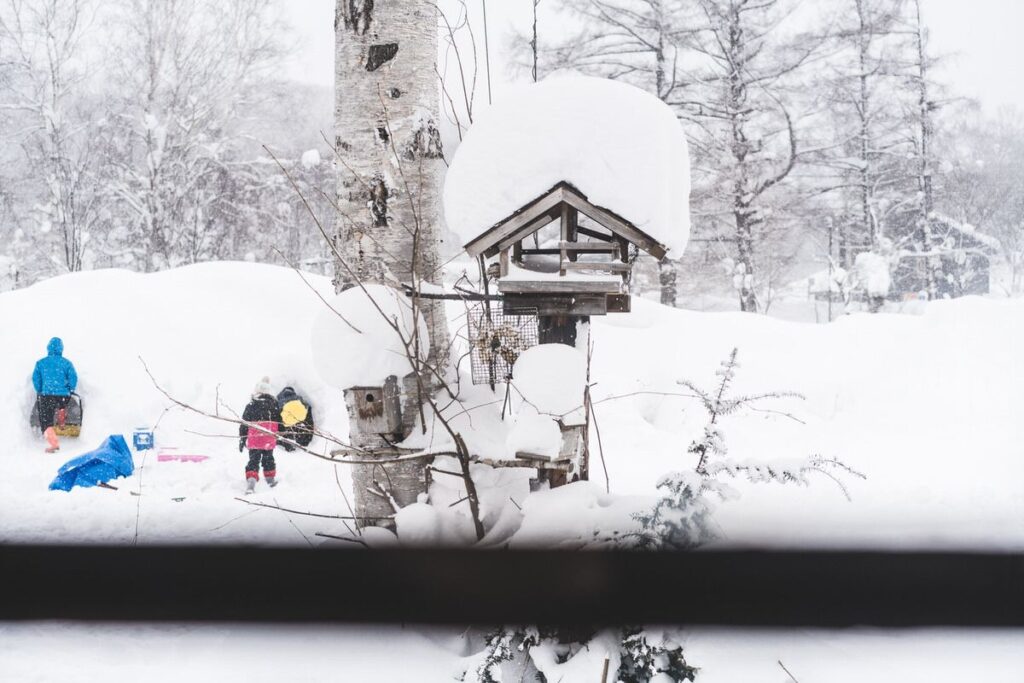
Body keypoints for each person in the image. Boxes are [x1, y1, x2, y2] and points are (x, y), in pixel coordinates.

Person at [32, 337, 78, 453]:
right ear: (61, 349)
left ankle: (54, 444)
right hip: (63, 394)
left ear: (48, 348)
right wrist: (70, 389)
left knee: (46, 420)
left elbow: (36, 379)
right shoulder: (66, 363)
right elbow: (73, 377)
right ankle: (62, 413)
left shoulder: (41, 363)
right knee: (62, 404)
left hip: (47, 394)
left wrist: (40, 389)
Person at [239, 377, 280, 494]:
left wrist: (242, 439)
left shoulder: (251, 405)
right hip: (268, 439)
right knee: (268, 459)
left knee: (253, 460)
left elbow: (244, 424)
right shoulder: (274, 404)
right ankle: (270, 480)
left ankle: (251, 483)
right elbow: (280, 422)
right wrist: (282, 437)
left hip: (255, 439)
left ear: (256, 392)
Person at [276, 386, 315, 452]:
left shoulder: (279, 405)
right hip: (301, 430)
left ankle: (289, 445)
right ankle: (302, 441)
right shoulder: (302, 403)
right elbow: (309, 421)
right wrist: (308, 437)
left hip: (288, 431)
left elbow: (278, 423)